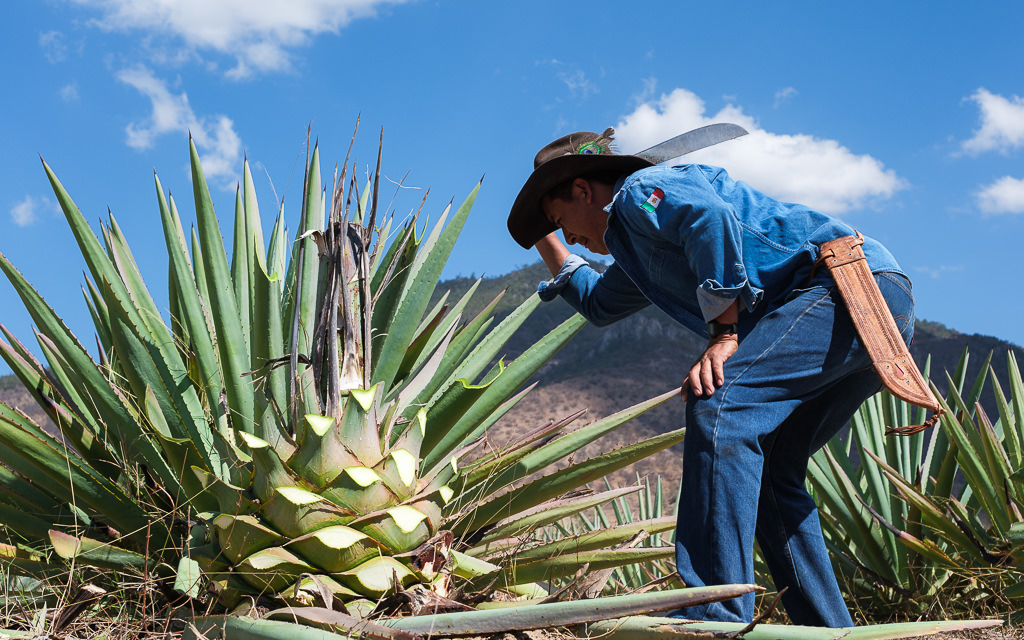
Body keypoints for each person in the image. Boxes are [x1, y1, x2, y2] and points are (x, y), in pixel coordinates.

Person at [506, 128, 917, 627]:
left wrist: (724, 334)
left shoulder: (640, 193)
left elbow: (710, 217)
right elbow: (599, 302)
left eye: (560, 219)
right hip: (871, 307)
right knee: (767, 478)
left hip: (843, 288)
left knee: (720, 405)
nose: (569, 236)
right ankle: (828, 633)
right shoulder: (637, 249)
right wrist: (540, 233)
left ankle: (714, 616)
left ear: (583, 190)